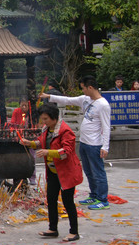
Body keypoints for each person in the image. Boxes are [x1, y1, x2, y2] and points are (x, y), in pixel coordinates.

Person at [40, 75, 111, 210]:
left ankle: (103, 199)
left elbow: (106, 126)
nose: (83, 91)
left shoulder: (103, 105)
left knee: (98, 171)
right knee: (89, 171)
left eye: (83, 88)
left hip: (95, 144)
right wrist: (49, 96)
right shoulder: (85, 100)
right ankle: (94, 194)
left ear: (90, 87)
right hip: (84, 142)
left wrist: (105, 146)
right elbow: (67, 100)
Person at [20, 104, 82, 241]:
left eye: (46, 119)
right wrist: (29, 143)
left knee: (68, 201)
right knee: (51, 199)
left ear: (54, 118)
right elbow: (42, 143)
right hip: (53, 171)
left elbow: (67, 151)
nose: (44, 122)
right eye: (42, 119)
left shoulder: (65, 131)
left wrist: (49, 152)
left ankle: (74, 231)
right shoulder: (46, 129)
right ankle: (53, 228)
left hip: (66, 171)